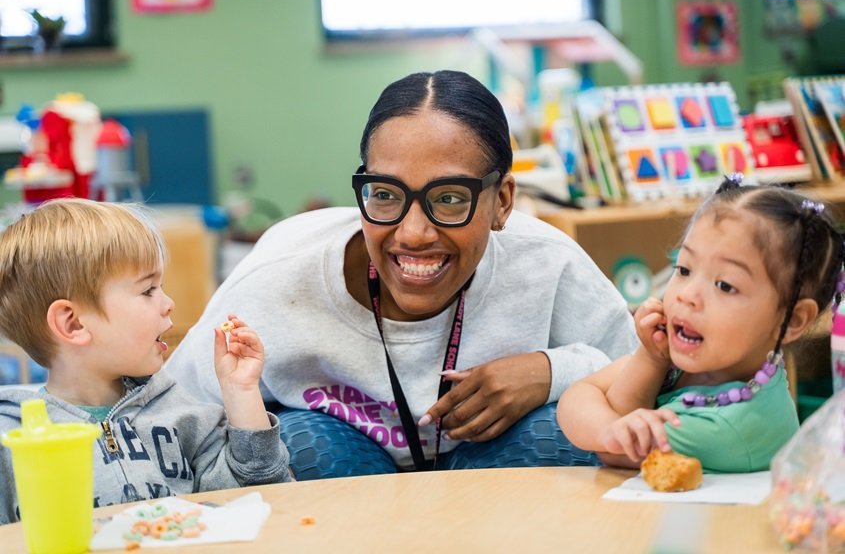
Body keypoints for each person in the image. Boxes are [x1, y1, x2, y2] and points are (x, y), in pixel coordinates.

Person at [166, 69, 638, 478]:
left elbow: (652, 380)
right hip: (347, 504)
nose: (413, 233)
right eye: (386, 194)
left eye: (450, 197)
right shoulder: (280, 277)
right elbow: (172, 414)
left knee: (568, 429)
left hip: (493, 490)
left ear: (503, 201)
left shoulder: (547, 264)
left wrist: (552, 372)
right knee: (302, 446)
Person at [0, 199, 292, 525]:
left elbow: (258, 503)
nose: (169, 304)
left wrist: (241, 392)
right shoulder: (11, 441)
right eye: (148, 290)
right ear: (73, 324)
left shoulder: (185, 416)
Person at [557, 175, 845, 472]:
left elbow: (610, 451)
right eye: (684, 269)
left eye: (724, 285)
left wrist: (608, 431)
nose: (688, 295)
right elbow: (577, 394)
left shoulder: (729, 426)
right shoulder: (703, 354)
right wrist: (650, 359)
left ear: (792, 319)